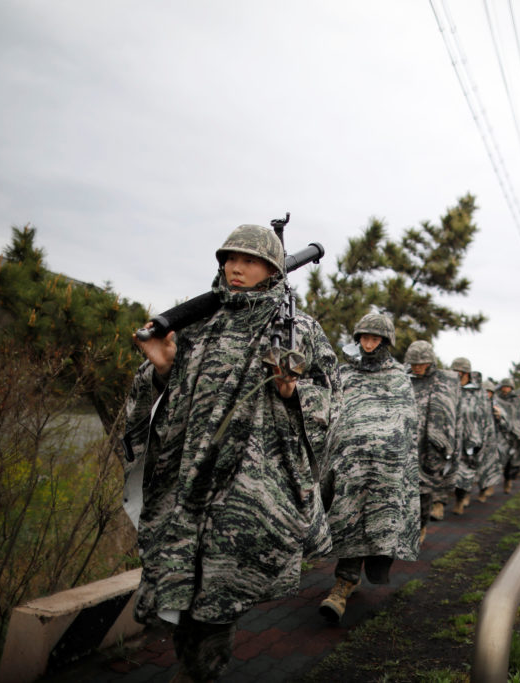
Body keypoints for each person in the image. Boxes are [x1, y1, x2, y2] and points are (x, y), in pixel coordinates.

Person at [124, 224, 339, 683]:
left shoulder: (299, 330)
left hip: (248, 487)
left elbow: (330, 399)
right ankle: (193, 668)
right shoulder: (198, 323)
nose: (236, 268)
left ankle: (198, 673)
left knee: (218, 596)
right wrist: (161, 371)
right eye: (229, 258)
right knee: (182, 587)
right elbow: (149, 404)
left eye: (250, 260)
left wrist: (291, 391)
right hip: (186, 481)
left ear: (274, 267)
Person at [319, 312, 420, 623]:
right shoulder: (345, 376)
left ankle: (356, 577)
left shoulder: (399, 379)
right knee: (348, 519)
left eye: (375, 338)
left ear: (385, 342)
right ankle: (343, 582)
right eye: (364, 337)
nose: (368, 343)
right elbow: (333, 414)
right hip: (350, 466)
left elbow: (406, 423)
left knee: (377, 523)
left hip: (385, 470)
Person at [405, 340, 460, 543]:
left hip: (429, 446)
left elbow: (450, 413)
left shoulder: (443, 382)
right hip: (404, 442)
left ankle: (421, 526)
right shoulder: (401, 379)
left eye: (422, 363)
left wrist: (443, 443)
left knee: (424, 490)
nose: (417, 367)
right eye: (413, 363)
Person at [450, 358, 484, 515]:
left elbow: (483, 417)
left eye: (461, 372)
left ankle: (460, 499)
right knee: (442, 472)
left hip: (469, 438)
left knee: (464, 472)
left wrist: (478, 438)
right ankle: (438, 504)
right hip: (449, 436)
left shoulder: (477, 392)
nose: (458, 375)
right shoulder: (447, 388)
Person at [474, 377, 502, 502]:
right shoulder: (475, 404)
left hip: (490, 443)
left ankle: (482, 491)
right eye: (485, 391)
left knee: (487, 469)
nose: (487, 394)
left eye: (489, 391)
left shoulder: (496, 407)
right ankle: (463, 497)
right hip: (475, 441)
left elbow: (505, 425)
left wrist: (499, 417)